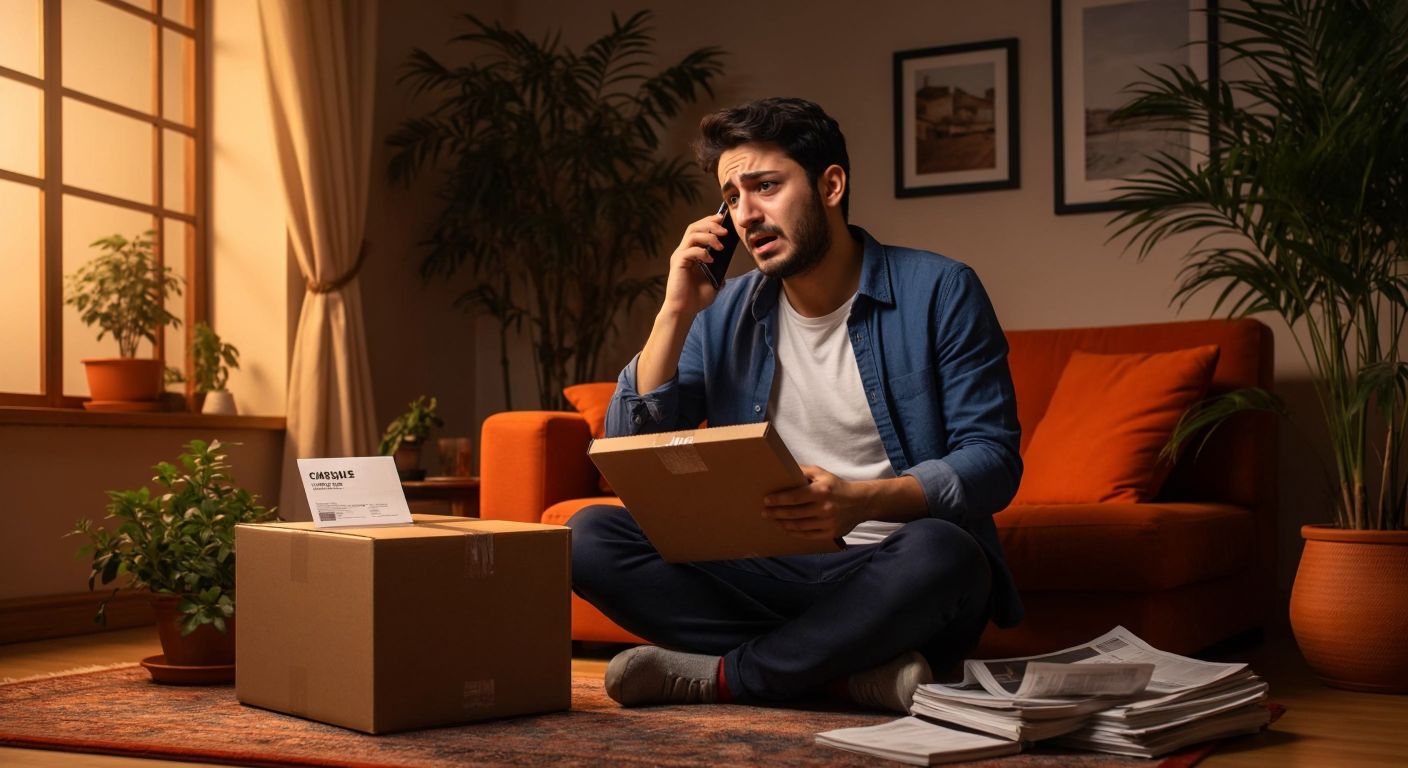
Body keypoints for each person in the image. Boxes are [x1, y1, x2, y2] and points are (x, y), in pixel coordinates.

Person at [569, 97, 1023, 713]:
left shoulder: (940, 290)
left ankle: (729, 677)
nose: (747, 214)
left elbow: (992, 461)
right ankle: (842, 673)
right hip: (765, 573)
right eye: (732, 197)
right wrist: (675, 312)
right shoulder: (722, 309)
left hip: (889, 572)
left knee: (947, 553)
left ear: (830, 184)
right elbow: (629, 455)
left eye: (766, 186)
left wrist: (857, 502)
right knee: (585, 535)